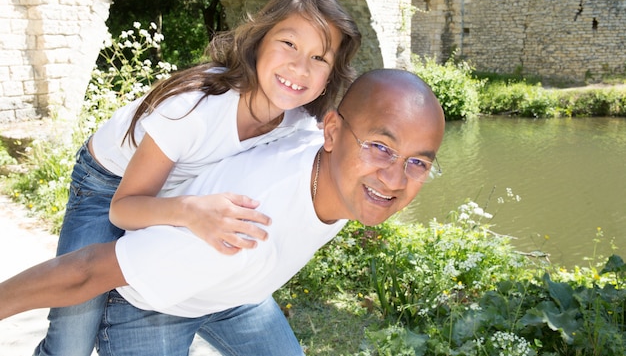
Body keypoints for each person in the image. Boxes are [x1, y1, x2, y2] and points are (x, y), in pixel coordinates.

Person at [0, 69, 445, 356]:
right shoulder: (241, 222)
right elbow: (87, 271)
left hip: (234, 295)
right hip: (156, 304)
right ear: (332, 131)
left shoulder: (327, 150)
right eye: (381, 148)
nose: (395, 179)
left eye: (418, 162)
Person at [37, 0, 361, 356]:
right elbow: (123, 210)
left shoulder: (300, 125)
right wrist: (189, 212)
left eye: (319, 58)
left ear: (328, 80)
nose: (299, 67)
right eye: (289, 43)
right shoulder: (194, 109)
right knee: (71, 338)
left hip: (181, 184)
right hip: (109, 184)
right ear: (258, 45)